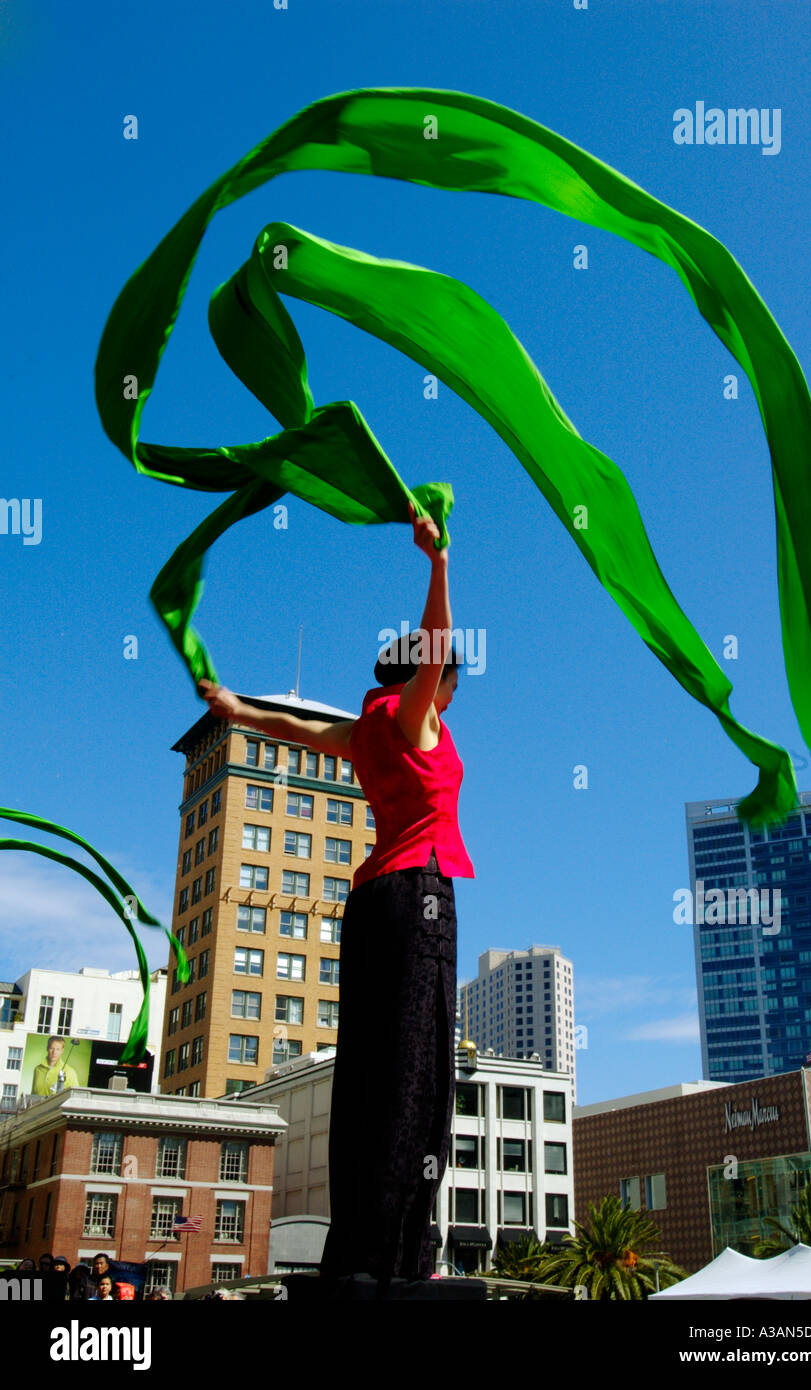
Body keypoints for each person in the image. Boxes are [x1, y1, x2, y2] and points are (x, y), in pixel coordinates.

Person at [198, 501, 474, 1295]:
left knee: (368, 1070)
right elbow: (439, 642)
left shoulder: (362, 730)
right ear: (431, 678)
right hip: (420, 893)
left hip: (369, 904)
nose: (451, 687)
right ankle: (398, 1256)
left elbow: (288, 730)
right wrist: (438, 563)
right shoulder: (418, 718)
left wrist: (238, 709)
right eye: (446, 677)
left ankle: (355, 1249)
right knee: (416, 1070)